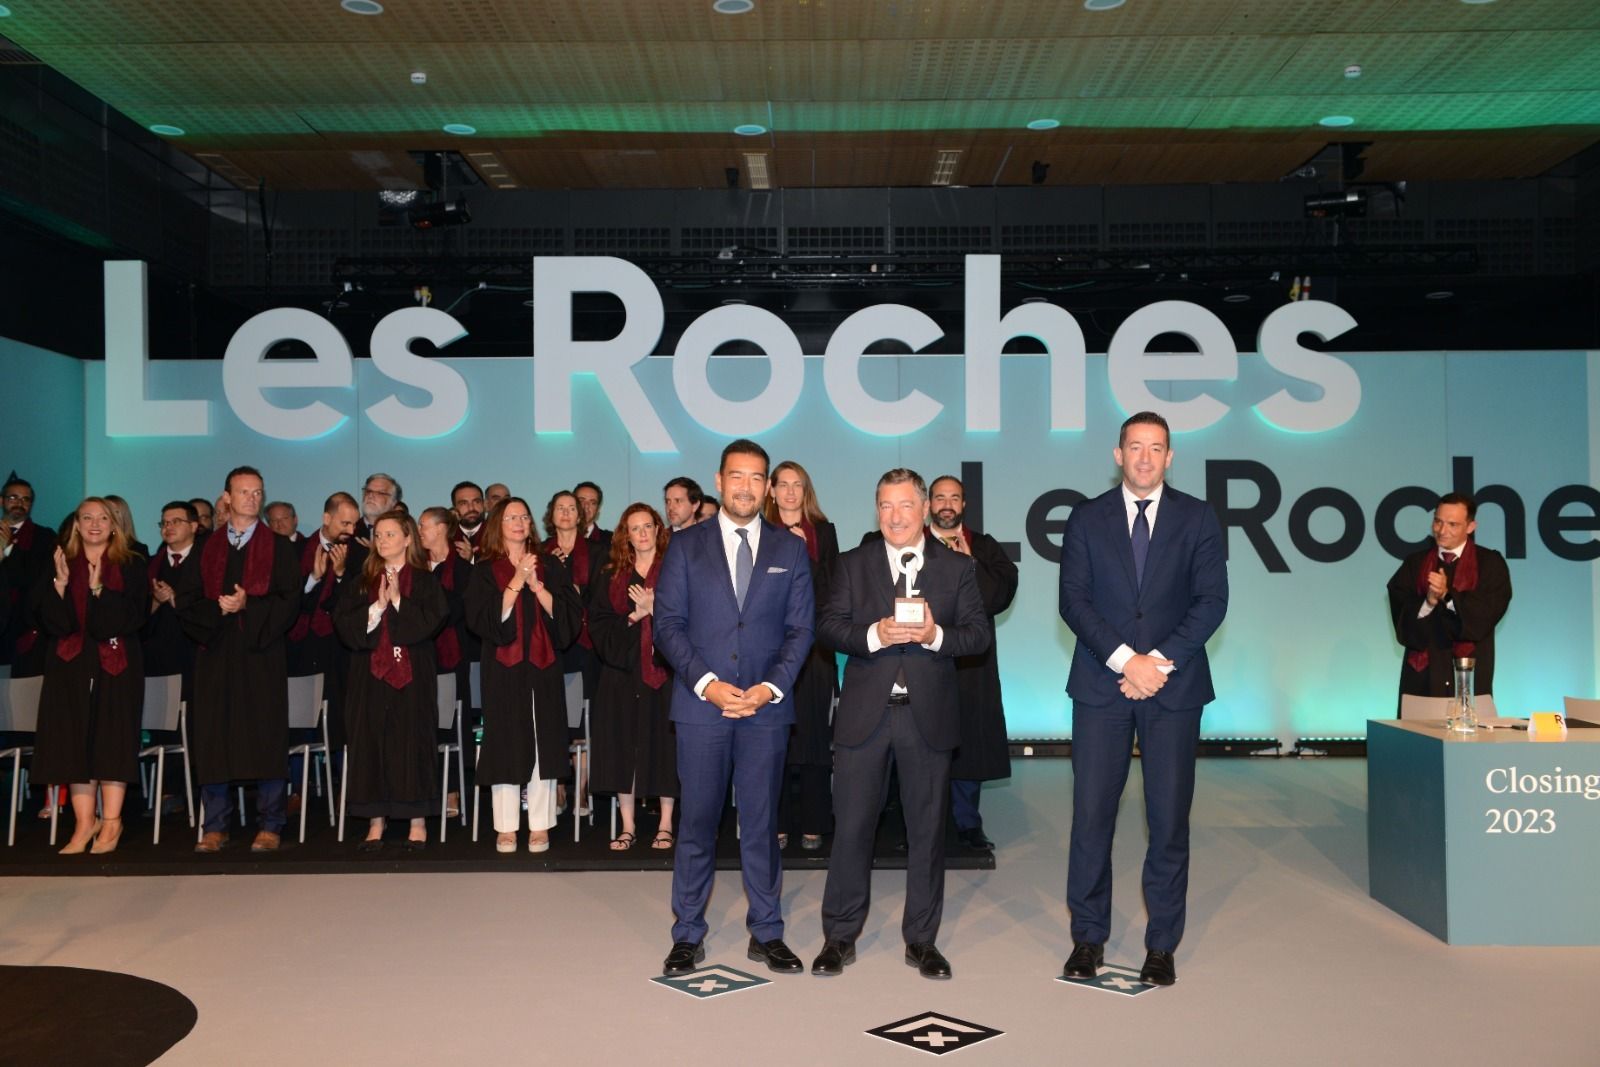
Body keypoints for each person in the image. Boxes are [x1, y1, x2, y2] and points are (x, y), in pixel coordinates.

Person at [1058, 411, 1228, 988]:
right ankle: (1087, 938)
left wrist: (1154, 664)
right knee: (1091, 820)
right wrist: (1124, 660)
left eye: (1157, 448)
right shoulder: (1086, 517)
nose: (1146, 458)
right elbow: (1074, 601)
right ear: (1118, 454)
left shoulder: (1199, 517)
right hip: (1101, 688)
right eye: (1136, 447)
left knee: (1168, 820)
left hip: (1173, 691)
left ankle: (1162, 946)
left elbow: (1211, 602)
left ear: (1170, 457)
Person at [811, 469, 989, 980]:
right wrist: (872, 634)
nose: (894, 517)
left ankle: (923, 941)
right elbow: (828, 626)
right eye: (885, 506)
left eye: (905, 506)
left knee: (928, 833)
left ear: (924, 509)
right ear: (877, 510)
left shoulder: (956, 569)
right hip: (865, 718)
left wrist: (935, 635)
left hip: (927, 719)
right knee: (851, 831)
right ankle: (839, 937)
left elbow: (977, 636)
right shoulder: (852, 564)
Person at [653, 439, 815, 977]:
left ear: (767, 487)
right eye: (737, 477)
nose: (747, 487)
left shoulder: (789, 550)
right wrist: (707, 684)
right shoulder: (684, 545)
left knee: (763, 824)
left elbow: (800, 630)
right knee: (697, 823)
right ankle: (687, 933)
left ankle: (766, 930)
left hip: (766, 712)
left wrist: (770, 688)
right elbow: (667, 626)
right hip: (702, 710)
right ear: (720, 481)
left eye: (757, 478)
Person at [178, 466, 303, 853]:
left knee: (264, 737)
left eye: (258, 492)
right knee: (214, 739)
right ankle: (215, 825)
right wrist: (219, 609)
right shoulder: (205, 547)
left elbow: (290, 602)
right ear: (227, 497)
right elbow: (187, 600)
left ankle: (270, 824)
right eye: (244, 492)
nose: (252, 498)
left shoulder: (279, 547)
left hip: (260, 658)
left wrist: (249, 604)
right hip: (215, 656)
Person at [30, 497, 150, 855]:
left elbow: (130, 619)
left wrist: (99, 589)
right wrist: (61, 587)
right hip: (70, 667)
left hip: (118, 667)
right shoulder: (59, 562)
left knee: (111, 740)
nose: (95, 524)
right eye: (87, 518)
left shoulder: (132, 564)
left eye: (103, 518)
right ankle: (85, 823)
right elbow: (51, 622)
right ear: (77, 524)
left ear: (115, 524)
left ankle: (111, 822)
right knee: (74, 740)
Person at [464, 497, 582, 854]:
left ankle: (541, 824)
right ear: (499, 525)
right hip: (503, 671)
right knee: (504, 744)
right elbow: (482, 620)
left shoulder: (550, 566)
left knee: (542, 742)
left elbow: (568, 620)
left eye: (525, 517)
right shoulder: (485, 570)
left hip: (544, 669)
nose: (519, 522)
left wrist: (538, 587)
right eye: (512, 517)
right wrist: (516, 580)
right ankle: (505, 827)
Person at [333, 510, 448, 852]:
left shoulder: (425, 580)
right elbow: (344, 625)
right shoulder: (361, 581)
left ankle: (416, 821)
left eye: (390, 534)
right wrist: (377, 607)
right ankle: (375, 821)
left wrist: (398, 600)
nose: (383, 541)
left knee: (411, 741)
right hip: (369, 678)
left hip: (412, 678)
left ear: (408, 538)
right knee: (370, 741)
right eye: (379, 535)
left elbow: (432, 622)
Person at [928, 474, 1017, 851]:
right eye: (940, 498)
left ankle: (966, 824)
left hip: (969, 665)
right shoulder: (908, 542)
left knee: (968, 744)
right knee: (921, 744)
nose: (947, 504)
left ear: (963, 505)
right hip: (923, 660)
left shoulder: (983, 546)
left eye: (954, 498)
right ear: (929, 503)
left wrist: (969, 564)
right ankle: (920, 827)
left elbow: (999, 595)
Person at [587, 503, 678, 850]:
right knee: (623, 747)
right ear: (625, 534)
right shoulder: (612, 574)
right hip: (621, 674)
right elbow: (599, 624)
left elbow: (692, 618)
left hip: (664, 673)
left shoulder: (674, 570)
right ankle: (627, 826)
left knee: (665, 747)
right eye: (633, 528)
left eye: (647, 526)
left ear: (658, 529)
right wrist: (636, 616)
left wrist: (659, 609)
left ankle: (666, 825)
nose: (641, 533)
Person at [764, 460, 839, 851]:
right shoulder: (760, 533)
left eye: (798, 485)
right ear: (771, 491)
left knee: (812, 737)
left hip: (816, 651)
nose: (791, 492)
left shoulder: (823, 533)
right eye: (784, 485)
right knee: (774, 737)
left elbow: (831, 588)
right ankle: (776, 822)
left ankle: (813, 820)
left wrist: (802, 553)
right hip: (770, 649)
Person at [1385, 492, 1512, 709]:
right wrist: (1429, 602)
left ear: (1471, 527)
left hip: (1469, 680)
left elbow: (1483, 617)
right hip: (1422, 683)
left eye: (1452, 524)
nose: (1442, 531)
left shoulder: (1490, 564)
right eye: (1438, 522)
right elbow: (1403, 624)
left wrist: (1448, 596)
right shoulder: (1415, 564)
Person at [543, 490, 600, 811]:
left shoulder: (597, 551)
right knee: (556, 719)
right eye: (559, 508)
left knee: (583, 722)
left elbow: (603, 596)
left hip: (586, 645)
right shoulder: (539, 553)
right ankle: (559, 787)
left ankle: (581, 789)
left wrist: (573, 591)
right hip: (550, 647)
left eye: (571, 508)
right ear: (551, 515)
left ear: (582, 515)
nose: (565, 513)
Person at [419, 506, 475, 818]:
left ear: (442, 529)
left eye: (424, 525)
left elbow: (453, 611)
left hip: (454, 658)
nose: (419, 531)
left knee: (452, 724)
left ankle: (453, 790)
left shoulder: (464, 571)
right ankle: (426, 790)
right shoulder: (415, 568)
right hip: (420, 658)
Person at [143, 501, 202, 705]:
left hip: (195, 656)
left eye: (176, 521)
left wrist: (175, 599)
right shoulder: (150, 564)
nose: (168, 527)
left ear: (194, 526)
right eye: (164, 523)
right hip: (157, 655)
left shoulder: (208, 563)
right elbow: (138, 614)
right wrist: (157, 601)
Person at [2, 475, 56, 676]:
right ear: (2, 501)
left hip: (24, 628)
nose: (19, 503)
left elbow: (35, 580)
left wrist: (8, 551)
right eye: (13, 498)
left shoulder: (44, 537)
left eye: (25, 499)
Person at [102, 495, 150, 561]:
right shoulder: (94, 546)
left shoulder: (138, 550)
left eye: (116, 512)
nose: (111, 516)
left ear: (124, 516)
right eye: (106, 512)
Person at [357, 473, 402, 541]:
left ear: (393, 502)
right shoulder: (350, 532)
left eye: (380, 493)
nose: (371, 496)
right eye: (368, 491)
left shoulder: (402, 532)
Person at [451, 481, 487, 560]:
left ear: (484, 504)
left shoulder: (497, 534)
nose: (471, 508)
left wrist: (472, 559)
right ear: (454, 508)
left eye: (477, 502)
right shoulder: (447, 537)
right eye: (463, 503)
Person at [574, 481, 609, 546]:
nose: (586, 506)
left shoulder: (611, 541)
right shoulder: (556, 541)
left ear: (598, 509)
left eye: (592, 503)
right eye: (581, 501)